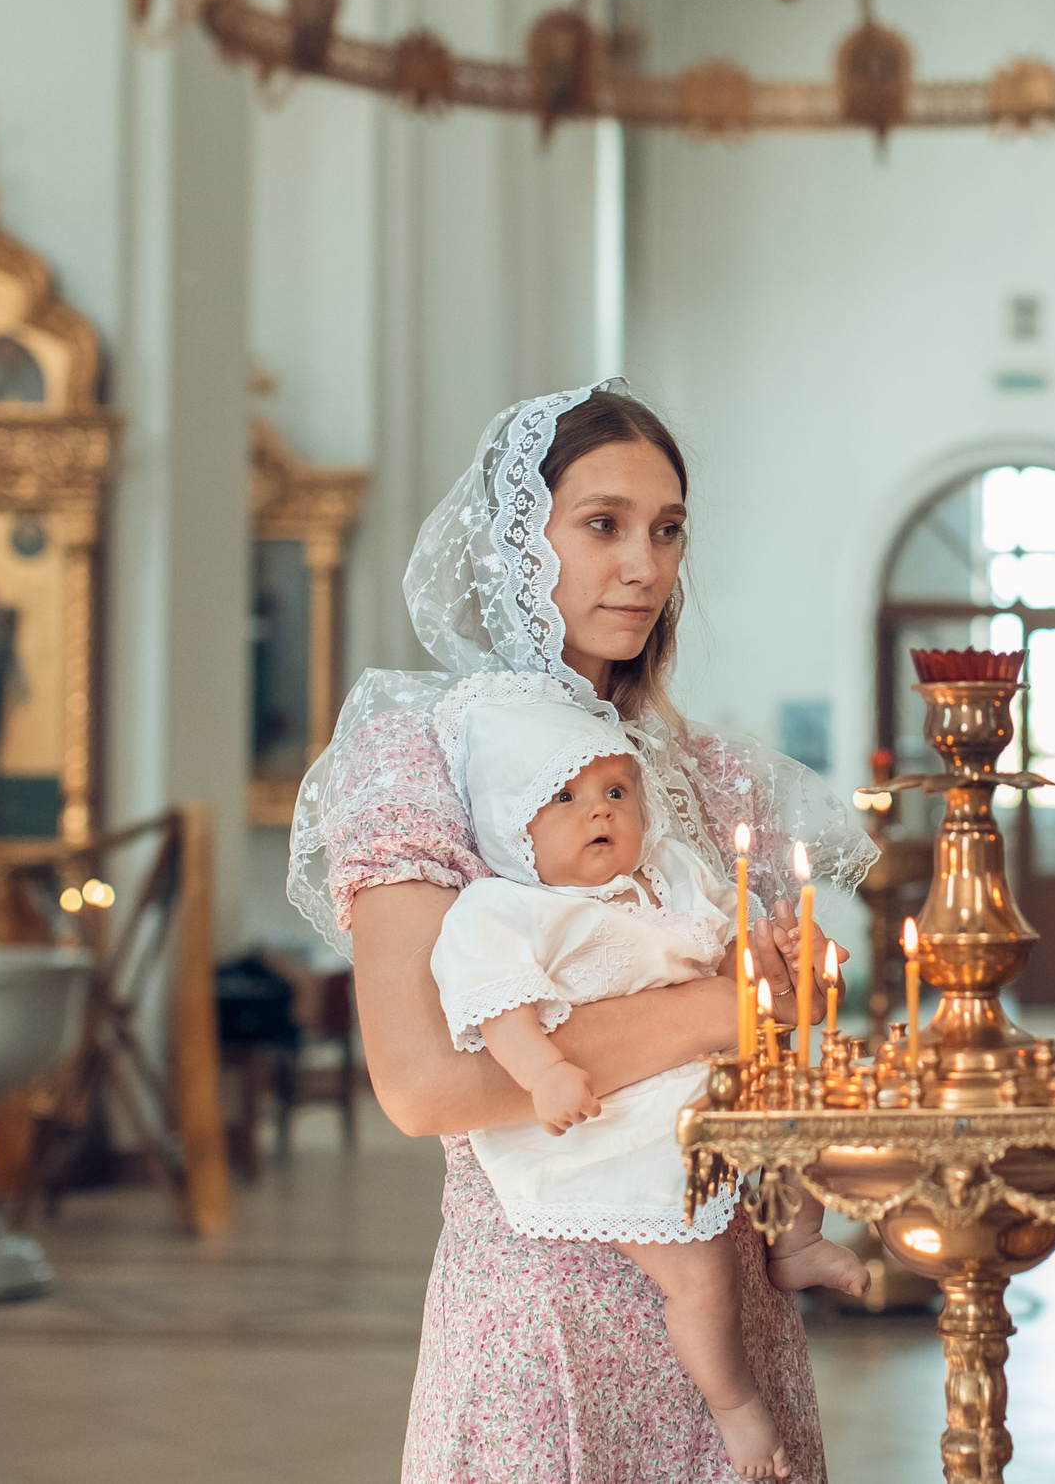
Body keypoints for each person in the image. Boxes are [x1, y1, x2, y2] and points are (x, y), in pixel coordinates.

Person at [288, 379, 874, 1483]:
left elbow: (792, 1038)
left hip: (730, 1318)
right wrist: (714, 1008)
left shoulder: (707, 773)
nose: (642, 566)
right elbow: (427, 1083)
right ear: (519, 544)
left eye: (666, 530)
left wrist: (806, 1003)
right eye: (601, 524)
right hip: (539, 1312)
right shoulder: (426, 759)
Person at [430, 698, 866, 1479]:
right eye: (563, 796)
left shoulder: (669, 877)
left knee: (802, 1110)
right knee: (699, 1274)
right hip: (604, 1126)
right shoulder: (501, 910)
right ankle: (736, 1407)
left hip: (693, 1085)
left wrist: (774, 952)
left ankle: (797, 1240)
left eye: (615, 791)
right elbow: (496, 1007)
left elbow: (733, 959)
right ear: (510, 825)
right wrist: (545, 1070)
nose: (597, 808)